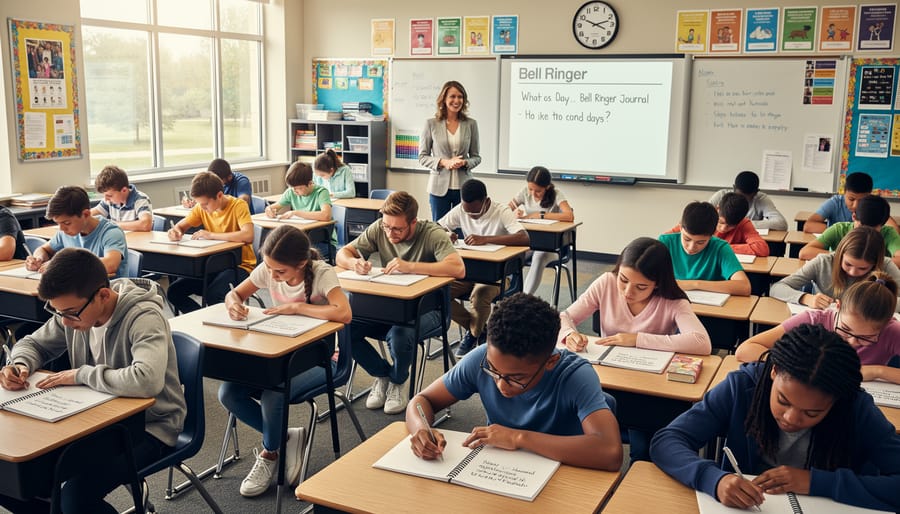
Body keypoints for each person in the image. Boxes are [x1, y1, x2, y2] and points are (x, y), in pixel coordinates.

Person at [0, 248, 186, 514]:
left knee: (76, 499)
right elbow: (33, 343)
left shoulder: (143, 316)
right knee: (13, 481)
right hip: (92, 422)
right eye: (58, 312)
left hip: (150, 426)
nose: (64, 321)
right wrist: (19, 365)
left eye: (70, 313)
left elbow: (147, 379)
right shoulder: (73, 312)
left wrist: (80, 374)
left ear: (103, 295)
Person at [651, 323, 900, 512]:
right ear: (774, 371)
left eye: (812, 413)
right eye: (783, 401)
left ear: (835, 402)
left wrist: (817, 482)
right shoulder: (743, 387)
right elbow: (668, 439)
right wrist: (713, 478)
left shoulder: (855, 407)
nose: (791, 418)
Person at [406, 293, 623, 471]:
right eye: (493, 370)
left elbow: (610, 452)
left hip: (565, 471)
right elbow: (422, 400)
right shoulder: (482, 358)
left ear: (550, 362)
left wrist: (519, 438)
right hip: (501, 470)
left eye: (517, 378)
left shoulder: (575, 376)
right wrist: (421, 429)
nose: (501, 385)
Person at [218, 225, 351, 497]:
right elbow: (235, 294)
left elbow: (344, 313)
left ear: (301, 263)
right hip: (277, 352)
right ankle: (285, 437)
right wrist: (233, 304)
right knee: (229, 392)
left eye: (281, 272)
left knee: (273, 394)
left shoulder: (322, 273)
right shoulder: (269, 269)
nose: (274, 277)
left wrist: (298, 307)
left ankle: (270, 452)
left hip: (319, 360)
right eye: (270, 269)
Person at [559, 237, 711, 461]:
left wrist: (638, 339)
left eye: (641, 287)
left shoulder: (673, 301)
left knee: (643, 451)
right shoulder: (607, 282)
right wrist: (569, 334)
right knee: (574, 433)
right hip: (607, 377)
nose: (628, 291)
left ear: (657, 283)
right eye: (623, 279)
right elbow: (565, 316)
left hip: (647, 386)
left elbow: (701, 342)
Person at [335, 191, 465, 414]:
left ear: (413, 222)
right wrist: (353, 263)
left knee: (400, 334)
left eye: (397, 229)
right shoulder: (380, 227)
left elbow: (458, 268)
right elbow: (343, 253)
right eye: (387, 227)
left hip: (430, 310)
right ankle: (382, 375)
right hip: (389, 307)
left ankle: (398, 380)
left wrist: (410, 266)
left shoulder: (432, 233)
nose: (390, 233)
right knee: (346, 327)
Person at [737, 272, 900, 385]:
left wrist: (878, 371)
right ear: (838, 306)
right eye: (845, 329)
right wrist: (803, 366)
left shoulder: (892, 331)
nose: (851, 342)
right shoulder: (813, 320)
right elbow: (745, 350)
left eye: (866, 338)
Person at [437, 179, 529, 357]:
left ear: (486, 201)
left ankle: (472, 335)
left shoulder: (501, 211)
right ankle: (481, 330)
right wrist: (447, 234)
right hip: (467, 273)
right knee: (438, 293)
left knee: (479, 296)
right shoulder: (462, 209)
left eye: (475, 213)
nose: (471, 216)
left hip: (498, 275)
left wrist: (487, 239)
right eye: (467, 212)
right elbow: (437, 227)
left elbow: (524, 238)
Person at [167, 172, 255, 314]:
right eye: (199, 204)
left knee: (214, 294)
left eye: (205, 204)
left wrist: (211, 235)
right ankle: (200, 319)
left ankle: (221, 327)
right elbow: (181, 226)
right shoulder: (201, 208)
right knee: (174, 291)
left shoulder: (238, 205)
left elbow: (248, 235)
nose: (202, 208)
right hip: (214, 266)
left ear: (219, 195)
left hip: (239, 266)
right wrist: (175, 231)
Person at [771, 226, 900, 310]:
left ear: (875, 264)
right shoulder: (823, 262)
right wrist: (807, 298)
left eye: (862, 268)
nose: (853, 272)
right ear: (840, 255)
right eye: (848, 264)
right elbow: (777, 288)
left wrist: (875, 305)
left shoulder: (886, 265)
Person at [26, 186, 128, 278]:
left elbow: (111, 265)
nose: (61, 229)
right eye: (58, 223)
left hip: (108, 293)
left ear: (86, 214)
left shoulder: (111, 232)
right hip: (77, 290)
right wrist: (38, 259)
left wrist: (63, 265)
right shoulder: (65, 232)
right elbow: (44, 249)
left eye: (66, 223)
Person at [658, 201, 751, 296]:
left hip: (707, 307)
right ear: (681, 227)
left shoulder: (720, 248)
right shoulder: (665, 242)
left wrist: (695, 284)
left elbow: (744, 287)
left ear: (712, 234)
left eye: (700, 242)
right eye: (687, 239)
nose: (691, 247)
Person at [419, 80, 481, 221]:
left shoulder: (471, 124)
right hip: (438, 188)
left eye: (460, 97)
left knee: (462, 230)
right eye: (452, 96)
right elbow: (422, 157)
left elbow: (476, 157)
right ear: (444, 99)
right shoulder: (431, 124)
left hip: (464, 188)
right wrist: (444, 162)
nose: (457, 100)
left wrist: (465, 162)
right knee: (440, 230)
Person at [508, 166, 575, 296]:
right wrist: (514, 214)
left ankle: (524, 299)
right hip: (530, 242)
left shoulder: (556, 194)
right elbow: (505, 210)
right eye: (530, 189)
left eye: (538, 191)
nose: (533, 194)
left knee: (539, 256)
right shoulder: (524, 192)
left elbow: (569, 216)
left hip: (552, 247)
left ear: (547, 187)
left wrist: (541, 215)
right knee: (512, 255)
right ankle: (509, 292)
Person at [800, 194, 900, 267]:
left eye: (872, 230)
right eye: (862, 227)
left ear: (882, 225)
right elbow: (805, 252)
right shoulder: (839, 229)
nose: (866, 234)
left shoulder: (888, 233)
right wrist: (846, 258)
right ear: (854, 216)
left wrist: (866, 262)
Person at [266, 161, 336, 259]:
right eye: (292, 187)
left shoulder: (321, 192)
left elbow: (326, 215)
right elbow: (274, 207)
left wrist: (295, 213)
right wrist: (269, 209)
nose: (294, 191)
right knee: (275, 251)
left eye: (298, 188)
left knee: (287, 254)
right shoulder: (292, 192)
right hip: (299, 241)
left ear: (310, 183)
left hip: (321, 243)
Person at [673, 192, 769, 257]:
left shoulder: (744, 223)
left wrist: (718, 247)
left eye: (730, 226)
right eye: (721, 222)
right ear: (718, 209)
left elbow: (762, 248)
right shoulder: (704, 216)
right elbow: (667, 237)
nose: (723, 228)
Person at [804, 172, 889, 233]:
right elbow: (808, 225)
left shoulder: (874, 206)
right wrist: (839, 232)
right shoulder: (835, 203)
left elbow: (893, 228)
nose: (855, 205)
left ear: (869, 195)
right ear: (844, 193)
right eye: (851, 199)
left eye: (862, 200)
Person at [708, 171, 788, 230]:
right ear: (734, 188)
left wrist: (741, 224)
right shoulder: (721, 195)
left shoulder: (761, 199)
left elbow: (781, 224)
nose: (742, 201)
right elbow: (701, 216)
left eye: (747, 198)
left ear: (756, 192)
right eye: (740, 195)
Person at [90, 165, 154, 232]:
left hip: (138, 241)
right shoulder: (109, 201)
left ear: (124, 190)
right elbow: (89, 215)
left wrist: (112, 224)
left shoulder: (140, 200)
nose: (106, 199)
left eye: (110, 195)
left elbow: (146, 225)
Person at [182, 158, 254, 213]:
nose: (215, 184)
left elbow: (243, 201)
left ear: (229, 177)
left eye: (219, 181)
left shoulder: (241, 181)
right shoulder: (213, 183)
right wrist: (196, 202)